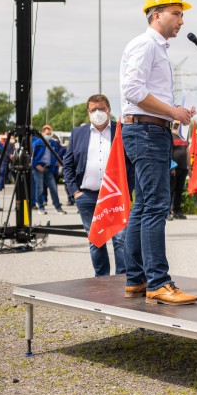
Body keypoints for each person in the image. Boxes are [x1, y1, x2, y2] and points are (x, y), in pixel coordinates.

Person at [120, 0, 197, 305]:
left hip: (150, 130)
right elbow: (132, 89)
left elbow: (144, 93)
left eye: (181, 14)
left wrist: (176, 113)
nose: (181, 20)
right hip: (147, 132)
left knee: (143, 206)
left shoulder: (157, 49)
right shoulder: (145, 45)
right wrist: (171, 112)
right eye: (176, 13)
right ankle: (158, 282)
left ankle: (136, 279)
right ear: (156, 15)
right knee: (154, 207)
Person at [62, 94, 127, 277]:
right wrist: (75, 192)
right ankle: (101, 279)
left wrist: (127, 189)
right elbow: (67, 165)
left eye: (101, 109)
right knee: (96, 241)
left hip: (115, 196)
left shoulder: (120, 131)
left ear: (109, 110)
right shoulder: (78, 133)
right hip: (87, 196)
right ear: (88, 112)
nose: (98, 113)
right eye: (93, 110)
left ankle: (122, 279)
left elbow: (130, 162)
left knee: (121, 239)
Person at [31, 125, 66, 215]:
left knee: (53, 188)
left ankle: (58, 207)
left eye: (50, 134)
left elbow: (62, 149)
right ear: (42, 133)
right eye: (47, 134)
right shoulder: (37, 143)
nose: (49, 135)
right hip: (38, 168)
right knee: (39, 189)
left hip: (49, 169)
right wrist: (36, 165)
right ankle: (41, 207)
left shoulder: (53, 143)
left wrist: (58, 160)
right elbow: (31, 156)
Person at [168, 125, 189, 220]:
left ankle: (177, 211)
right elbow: (168, 152)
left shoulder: (184, 137)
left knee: (179, 190)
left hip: (183, 167)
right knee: (170, 190)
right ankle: (167, 212)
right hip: (174, 168)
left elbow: (187, 152)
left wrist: (189, 167)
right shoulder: (170, 136)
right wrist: (171, 167)